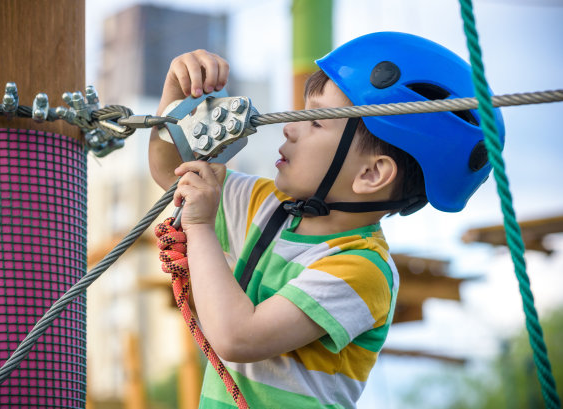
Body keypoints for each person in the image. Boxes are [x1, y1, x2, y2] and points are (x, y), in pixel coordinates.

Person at [148, 32, 505, 408]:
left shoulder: (362, 269)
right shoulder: (266, 204)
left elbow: (238, 338)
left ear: (371, 174)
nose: (290, 126)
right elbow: (171, 171)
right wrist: (175, 98)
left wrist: (200, 227)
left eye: (316, 121)